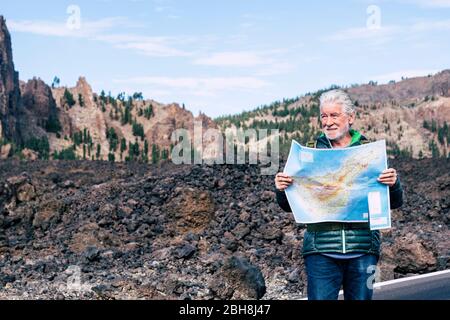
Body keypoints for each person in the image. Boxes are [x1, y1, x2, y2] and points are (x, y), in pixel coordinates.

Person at [274, 89, 403, 300]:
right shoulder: (309, 153)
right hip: (320, 250)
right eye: (324, 116)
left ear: (350, 117)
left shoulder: (368, 152)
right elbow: (288, 206)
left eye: (334, 115)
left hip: (363, 250)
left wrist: (393, 183)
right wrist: (281, 188)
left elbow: (395, 202)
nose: (328, 122)